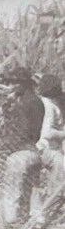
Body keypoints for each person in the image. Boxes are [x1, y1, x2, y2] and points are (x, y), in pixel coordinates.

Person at [0, 65, 45, 225]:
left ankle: (9, 220)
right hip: (31, 151)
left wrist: (3, 148)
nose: (10, 86)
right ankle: (35, 219)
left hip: (23, 151)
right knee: (33, 187)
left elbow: (24, 133)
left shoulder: (26, 103)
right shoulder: (32, 101)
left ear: (24, 84)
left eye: (14, 83)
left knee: (12, 186)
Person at [37, 74, 65, 208]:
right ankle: (51, 206)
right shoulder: (50, 106)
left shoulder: (38, 101)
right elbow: (47, 133)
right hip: (46, 148)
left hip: (37, 147)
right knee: (61, 165)